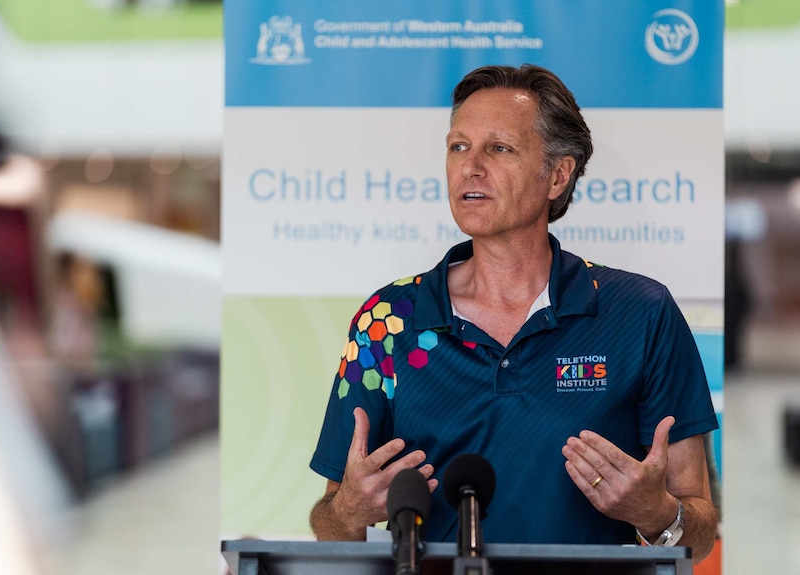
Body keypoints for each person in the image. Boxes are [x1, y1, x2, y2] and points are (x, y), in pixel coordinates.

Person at [308, 64, 718, 563]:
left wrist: (658, 514)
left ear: (558, 175)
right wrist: (348, 511)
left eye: (498, 148)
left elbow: (698, 535)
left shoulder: (641, 312)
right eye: (458, 146)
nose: (470, 166)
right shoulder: (387, 319)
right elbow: (328, 524)